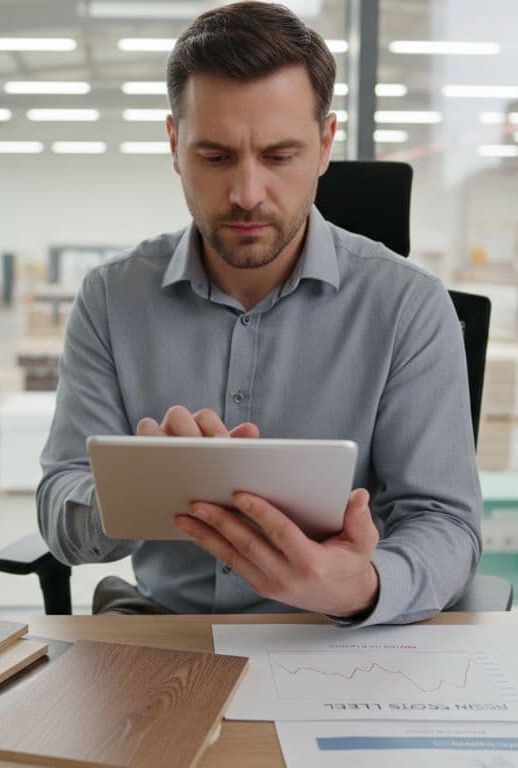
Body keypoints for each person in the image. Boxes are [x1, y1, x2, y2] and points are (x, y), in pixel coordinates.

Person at [36, 1, 482, 626]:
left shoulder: (407, 304)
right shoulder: (112, 298)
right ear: (174, 144)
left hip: (339, 638)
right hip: (167, 629)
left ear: (325, 145)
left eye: (279, 156)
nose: (247, 193)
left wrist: (365, 586)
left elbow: (446, 523)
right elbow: (60, 497)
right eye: (216, 158)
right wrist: (127, 496)